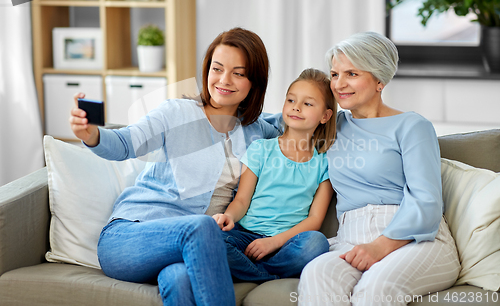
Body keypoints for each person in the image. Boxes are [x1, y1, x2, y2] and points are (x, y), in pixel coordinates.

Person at [69, 27, 282, 306]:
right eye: (217, 69)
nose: (224, 80)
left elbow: (297, 117)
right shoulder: (176, 113)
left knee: (179, 280)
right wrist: (92, 135)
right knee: (203, 227)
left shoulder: (256, 131)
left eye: (238, 73)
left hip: (187, 251)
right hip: (130, 238)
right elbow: (125, 143)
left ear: (255, 82)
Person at [298, 32, 460, 306]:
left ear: (379, 80)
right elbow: (277, 117)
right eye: (335, 74)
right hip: (352, 238)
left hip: (416, 240)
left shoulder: (412, 126)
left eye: (351, 73)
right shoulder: (330, 124)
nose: (339, 84)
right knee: (316, 274)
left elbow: (427, 201)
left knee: (376, 289)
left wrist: (381, 245)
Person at [212, 68, 336, 282]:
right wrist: (229, 217)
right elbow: (241, 200)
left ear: (325, 116)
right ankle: (266, 274)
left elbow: (315, 220)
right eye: (291, 100)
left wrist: (274, 242)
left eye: (308, 104)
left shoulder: (324, 163)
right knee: (210, 239)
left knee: (317, 243)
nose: (296, 107)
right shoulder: (261, 149)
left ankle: (251, 271)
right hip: (246, 235)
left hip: (287, 243)